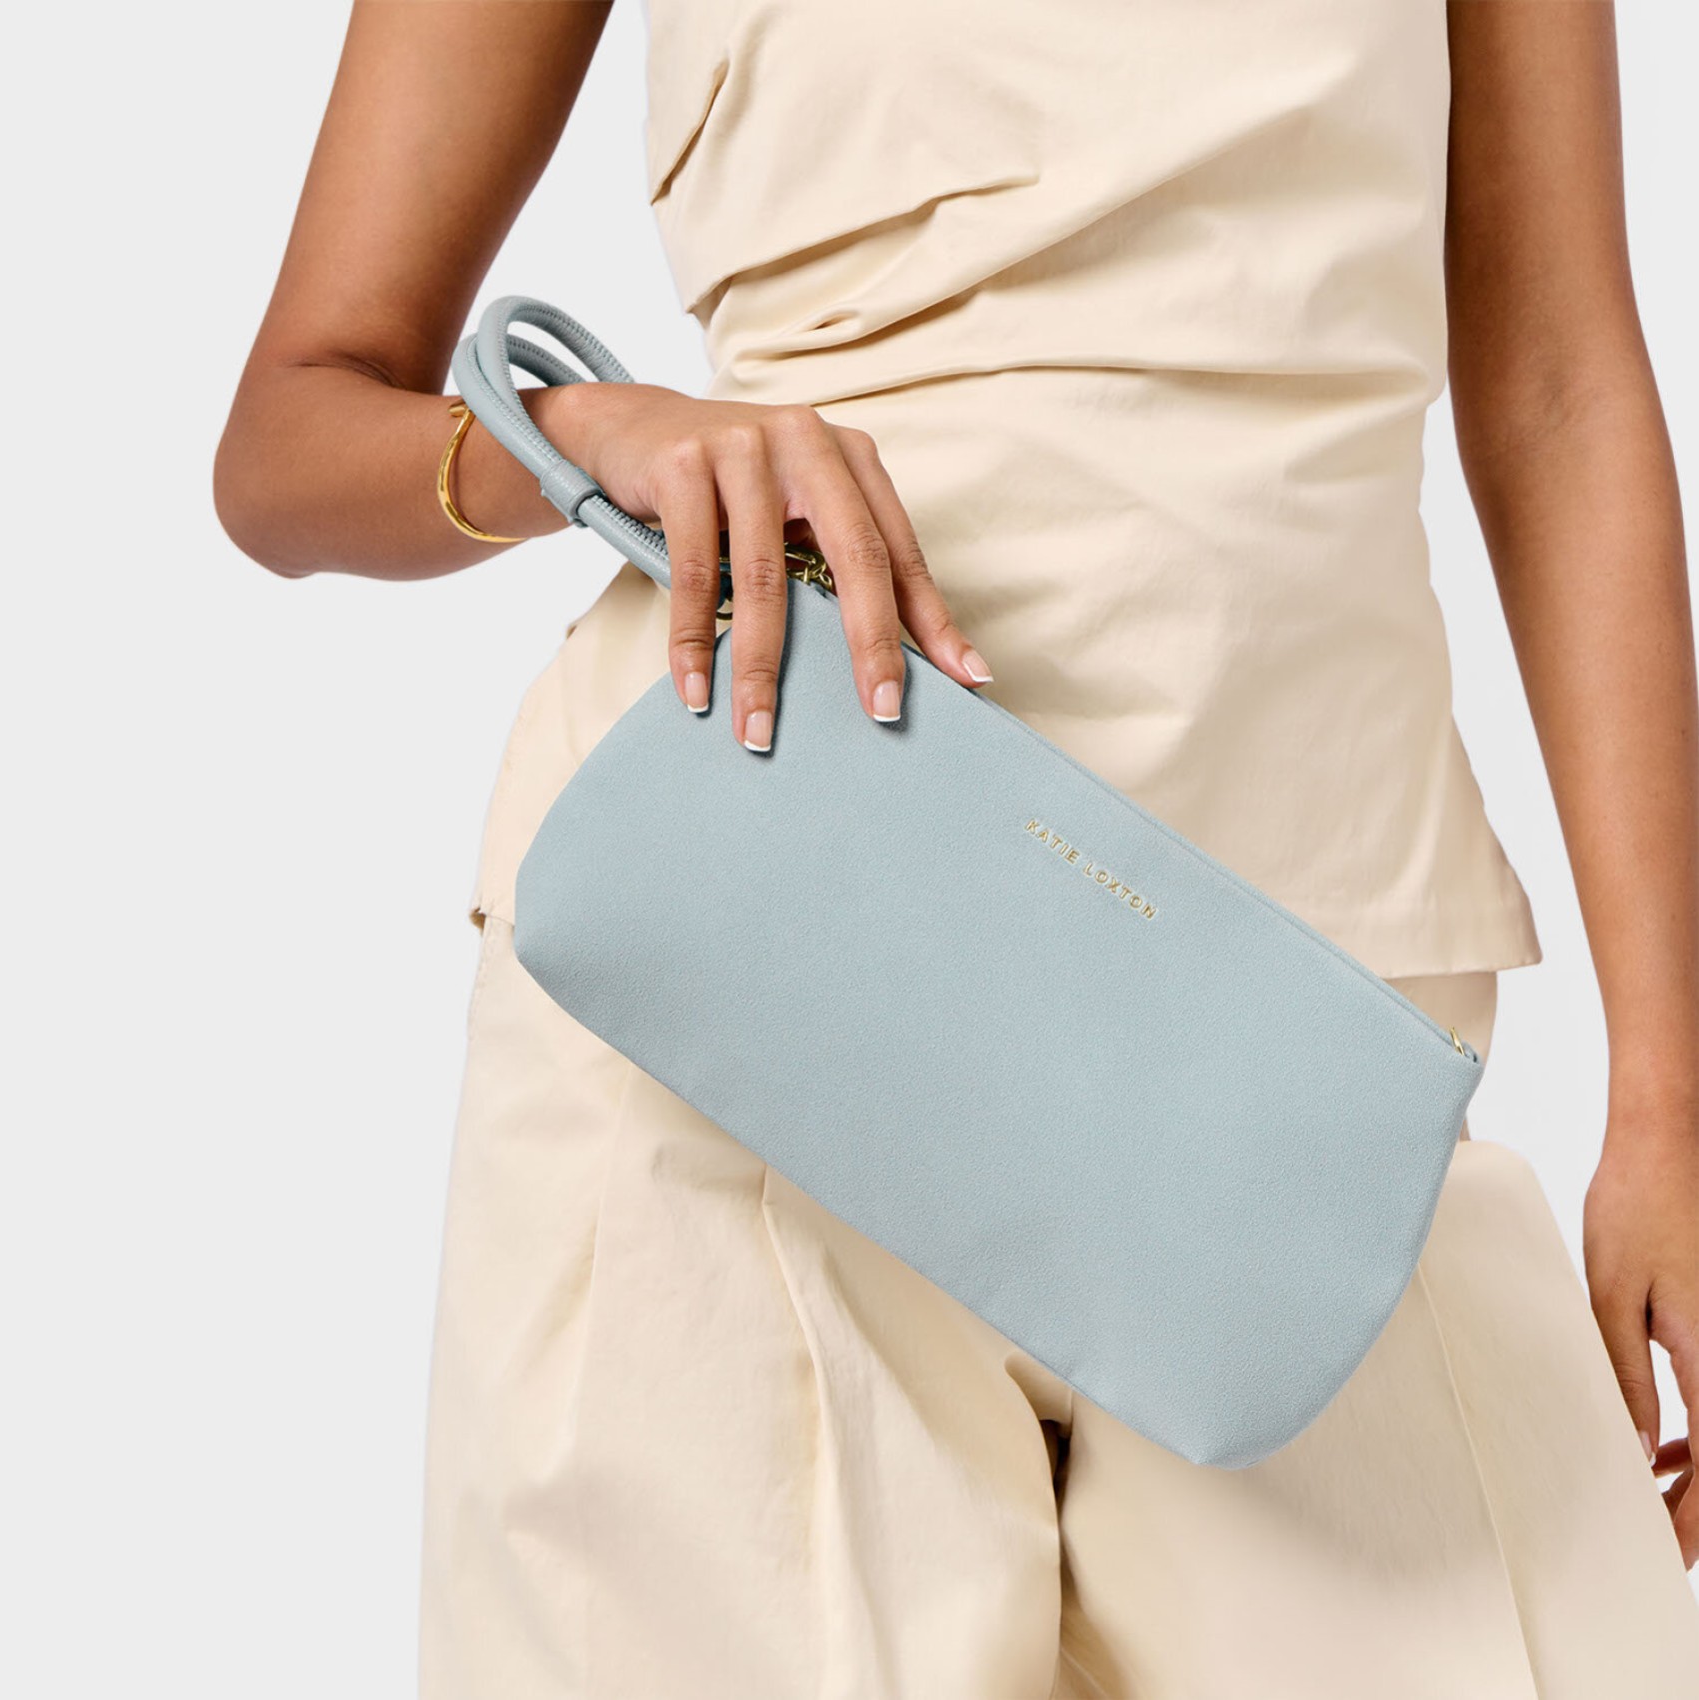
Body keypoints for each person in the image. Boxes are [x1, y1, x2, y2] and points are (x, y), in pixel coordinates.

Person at [213, 0, 1699, 1693]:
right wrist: (595, 436)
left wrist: (1669, 1101)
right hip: (748, 980)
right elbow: (289, 437)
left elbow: (1562, 388)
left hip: (1305, 1044)